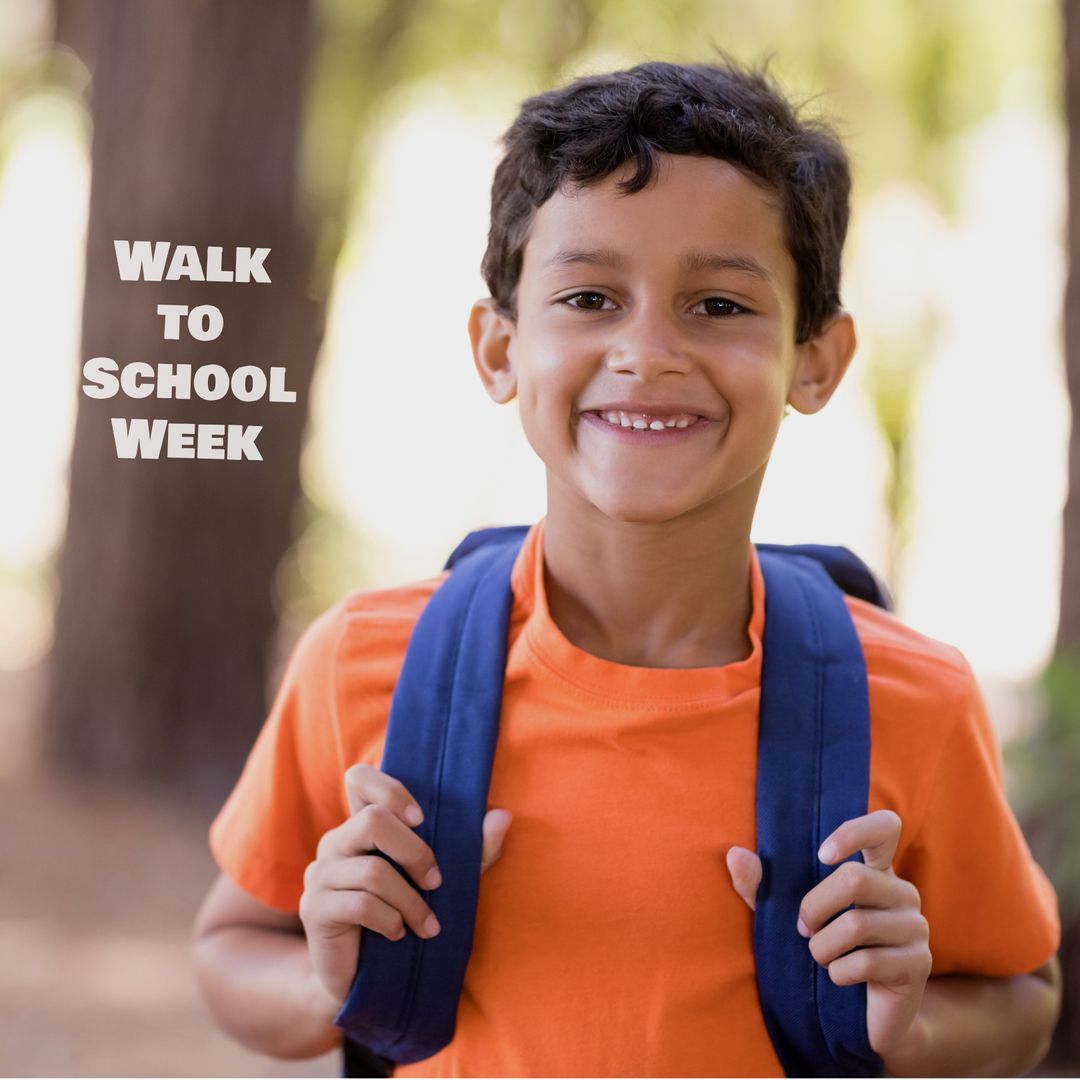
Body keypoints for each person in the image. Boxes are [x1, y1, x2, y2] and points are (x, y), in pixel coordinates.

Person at [191, 58, 1062, 1076]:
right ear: (498, 351)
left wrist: (910, 1027)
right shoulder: (366, 665)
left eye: (720, 306)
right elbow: (230, 944)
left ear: (816, 360)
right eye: (592, 296)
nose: (648, 351)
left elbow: (1019, 999)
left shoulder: (914, 698)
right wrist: (324, 983)